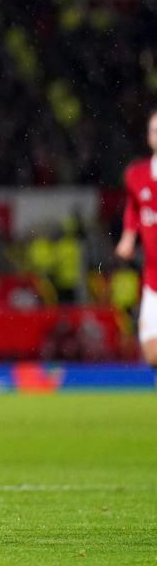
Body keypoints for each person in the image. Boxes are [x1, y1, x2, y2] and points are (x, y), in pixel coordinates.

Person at [115, 108, 157, 382]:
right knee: (151, 354)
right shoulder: (136, 175)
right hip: (152, 278)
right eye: (154, 130)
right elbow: (133, 206)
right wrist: (128, 236)